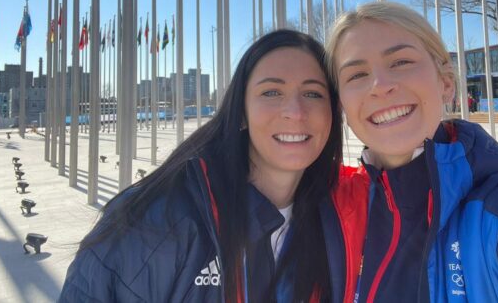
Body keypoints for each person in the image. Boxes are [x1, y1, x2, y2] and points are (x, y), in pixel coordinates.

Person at [323, 1, 498, 302]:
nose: (380, 85)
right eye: (356, 75)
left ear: (446, 82)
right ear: (341, 105)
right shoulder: (333, 206)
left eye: (400, 62)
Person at [59, 29, 342, 302]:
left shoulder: (341, 219)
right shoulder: (154, 223)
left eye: (313, 93)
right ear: (240, 112)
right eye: (271, 92)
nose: (294, 111)